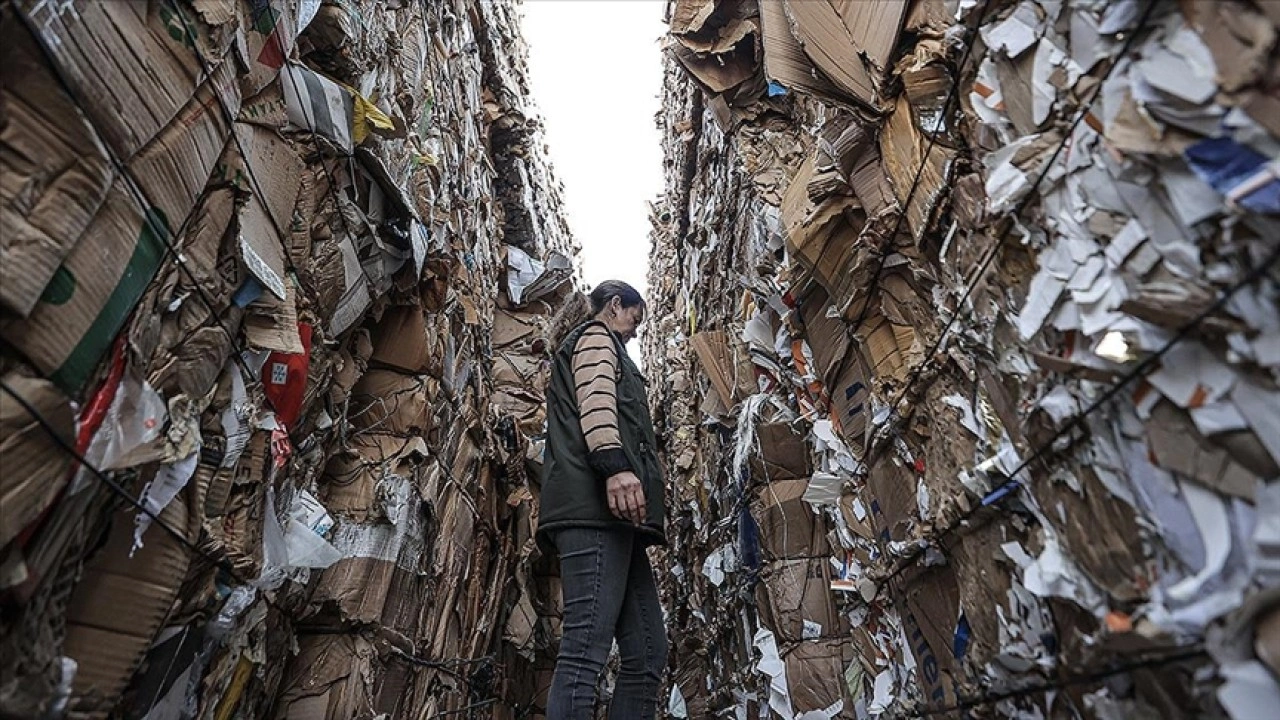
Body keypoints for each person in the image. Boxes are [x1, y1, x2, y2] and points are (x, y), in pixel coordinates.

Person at [538, 280, 667, 719]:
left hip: (616, 519)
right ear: (615, 306)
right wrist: (616, 468)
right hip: (591, 510)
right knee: (584, 653)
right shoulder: (596, 338)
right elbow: (597, 403)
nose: (634, 332)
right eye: (634, 319)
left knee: (648, 652)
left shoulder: (605, 344)